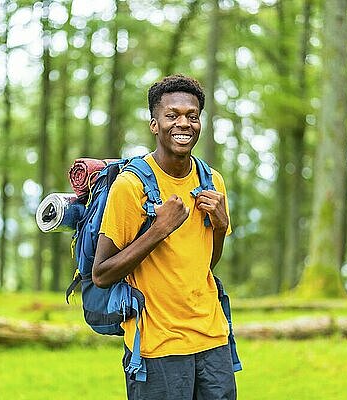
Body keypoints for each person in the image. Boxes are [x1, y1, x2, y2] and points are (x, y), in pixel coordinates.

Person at [92, 74, 236, 400]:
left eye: (192, 116)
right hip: (158, 344)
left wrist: (222, 226)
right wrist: (158, 230)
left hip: (213, 338)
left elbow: (205, 263)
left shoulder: (212, 181)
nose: (183, 123)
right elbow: (101, 274)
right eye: (172, 115)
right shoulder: (131, 187)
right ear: (154, 124)